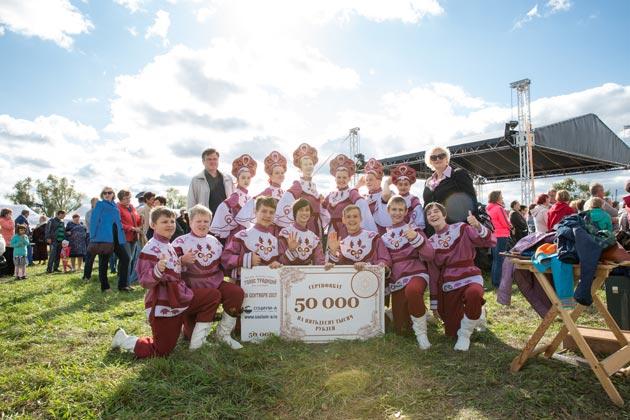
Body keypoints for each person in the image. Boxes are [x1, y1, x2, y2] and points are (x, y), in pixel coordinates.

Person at [111, 207, 221, 357]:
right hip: (164, 304)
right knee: (161, 350)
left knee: (212, 296)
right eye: (164, 222)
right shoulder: (150, 248)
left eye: (172, 221)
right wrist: (156, 270)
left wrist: (183, 261)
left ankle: (197, 342)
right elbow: (144, 281)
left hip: (181, 296)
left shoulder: (168, 244)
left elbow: (174, 269)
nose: (170, 224)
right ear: (153, 225)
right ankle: (123, 339)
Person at [426, 202, 496, 351]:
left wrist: (477, 226)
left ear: (444, 215)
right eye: (429, 213)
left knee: (474, 294)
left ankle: (465, 334)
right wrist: (434, 304)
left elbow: (488, 241)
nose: (433, 214)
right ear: (427, 220)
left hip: (469, 274)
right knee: (451, 333)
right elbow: (433, 274)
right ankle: (478, 314)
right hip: (448, 282)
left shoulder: (461, 228)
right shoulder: (430, 243)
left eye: (436, 211)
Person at [173, 204, 244, 349]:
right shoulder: (180, 242)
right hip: (192, 290)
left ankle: (223, 334)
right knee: (189, 336)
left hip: (215, 284)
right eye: (198, 221)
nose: (202, 224)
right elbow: (169, 268)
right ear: (190, 221)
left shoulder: (215, 241)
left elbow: (224, 264)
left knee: (236, 292)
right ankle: (190, 328)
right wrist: (181, 261)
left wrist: (240, 265)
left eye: (206, 221)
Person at [381, 196, 435, 348]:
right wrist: (384, 265)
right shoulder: (384, 238)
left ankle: (422, 335)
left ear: (406, 212)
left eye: (400, 210)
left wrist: (416, 239)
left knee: (413, 290)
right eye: (394, 209)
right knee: (401, 330)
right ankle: (410, 314)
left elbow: (430, 255)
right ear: (388, 211)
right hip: (397, 278)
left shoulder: (414, 230)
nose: (397, 213)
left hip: (416, 272)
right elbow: (385, 259)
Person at [222, 196, 284, 282]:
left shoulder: (274, 240)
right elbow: (226, 258)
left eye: (271, 212)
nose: (268, 215)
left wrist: (276, 265)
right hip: (245, 287)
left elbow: (278, 264)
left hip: (270, 289)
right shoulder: (242, 235)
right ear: (255, 212)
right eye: (264, 211)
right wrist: (246, 259)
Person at [422, 145, 478, 236]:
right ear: (430, 162)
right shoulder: (428, 182)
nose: (437, 159)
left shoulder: (458, 174)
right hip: (433, 230)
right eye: (433, 157)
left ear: (447, 159)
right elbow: (426, 206)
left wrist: (474, 225)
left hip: (455, 228)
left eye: (441, 156)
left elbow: (471, 200)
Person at [275, 143, 328, 237]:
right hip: (305, 225)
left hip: (316, 225)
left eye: (310, 164)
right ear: (301, 168)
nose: (309, 166)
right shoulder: (298, 185)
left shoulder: (313, 186)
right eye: (305, 164)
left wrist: (320, 201)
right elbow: (285, 201)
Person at [322, 154, 377, 239]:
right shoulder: (331, 195)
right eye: (339, 177)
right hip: (332, 231)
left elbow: (362, 204)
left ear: (349, 179)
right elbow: (322, 210)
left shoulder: (352, 193)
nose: (341, 180)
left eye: (344, 177)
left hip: (346, 231)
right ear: (335, 179)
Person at [325, 205, 390, 273]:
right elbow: (336, 270)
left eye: (355, 216)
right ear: (343, 220)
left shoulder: (374, 237)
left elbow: (385, 261)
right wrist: (333, 251)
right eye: (348, 217)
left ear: (361, 218)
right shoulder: (342, 245)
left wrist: (368, 266)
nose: (352, 219)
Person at [90, 187, 131, 292]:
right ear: (102, 194)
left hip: (117, 236)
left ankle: (123, 285)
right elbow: (94, 221)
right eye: (104, 193)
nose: (107, 194)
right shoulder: (100, 204)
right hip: (104, 237)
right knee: (104, 262)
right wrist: (93, 236)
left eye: (109, 192)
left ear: (113, 194)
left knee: (125, 258)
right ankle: (105, 287)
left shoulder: (115, 205)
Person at [235, 151, 287, 229]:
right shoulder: (269, 191)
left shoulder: (284, 193)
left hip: (282, 227)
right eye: (277, 173)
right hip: (270, 227)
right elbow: (253, 201)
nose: (280, 175)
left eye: (282, 173)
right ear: (271, 176)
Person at [210, 154, 257, 241]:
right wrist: (232, 222)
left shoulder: (249, 196)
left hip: (247, 230)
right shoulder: (236, 195)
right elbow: (222, 207)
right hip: (237, 231)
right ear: (238, 179)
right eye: (243, 178)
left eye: (248, 178)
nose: (246, 180)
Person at [278, 198, 325, 266]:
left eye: (307, 210)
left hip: (308, 274)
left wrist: (326, 265)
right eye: (301, 210)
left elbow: (319, 261)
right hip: (287, 274)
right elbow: (280, 261)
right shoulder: (285, 232)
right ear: (295, 212)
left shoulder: (314, 237)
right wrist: (290, 250)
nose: (304, 213)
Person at [187, 148, 234, 214]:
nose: (212, 162)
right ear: (203, 161)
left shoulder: (228, 179)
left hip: (226, 219)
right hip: (205, 220)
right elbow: (191, 203)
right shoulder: (196, 180)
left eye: (215, 159)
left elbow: (234, 200)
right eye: (209, 159)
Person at [382, 164, 425, 229]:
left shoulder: (414, 201)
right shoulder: (392, 198)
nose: (403, 187)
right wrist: (386, 182)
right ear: (396, 185)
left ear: (410, 185)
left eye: (406, 184)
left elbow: (420, 222)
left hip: (410, 233)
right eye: (400, 184)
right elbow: (385, 195)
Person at [356, 158, 391, 234]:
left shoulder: (387, 194)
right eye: (367, 180)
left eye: (371, 179)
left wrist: (387, 183)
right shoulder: (363, 197)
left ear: (379, 181)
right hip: (365, 235)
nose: (368, 182)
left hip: (382, 234)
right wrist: (358, 186)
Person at [486, 191, 511, 288]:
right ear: (497, 198)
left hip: (493, 235)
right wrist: (510, 227)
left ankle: (495, 281)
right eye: (501, 196)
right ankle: (499, 282)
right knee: (500, 259)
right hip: (501, 235)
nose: (502, 197)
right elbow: (505, 222)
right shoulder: (499, 208)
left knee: (495, 259)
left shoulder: (489, 208)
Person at [117, 190, 142, 284]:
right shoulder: (118, 208)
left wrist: (140, 222)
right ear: (120, 199)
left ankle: (126, 281)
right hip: (124, 237)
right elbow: (118, 223)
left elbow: (137, 218)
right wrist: (131, 228)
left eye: (129, 198)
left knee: (130, 259)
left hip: (134, 237)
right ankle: (124, 283)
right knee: (127, 259)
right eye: (125, 198)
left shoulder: (132, 207)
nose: (128, 200)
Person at [82, 197, 99, 281]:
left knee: (102, 258)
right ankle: (86, 276)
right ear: (92, 203)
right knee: (90, 257)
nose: (98, 204)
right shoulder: (89, 213)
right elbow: (93, 224)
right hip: (91, 237)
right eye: (96, 202)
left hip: (101, 237)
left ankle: (101, 277)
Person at [0, 208, 15, 277]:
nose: (11, 215)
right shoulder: (2, 220)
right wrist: (11, 221)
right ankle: (7, 272)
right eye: (10, 214)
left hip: (11, 242)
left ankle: (11, 272)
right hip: (5, 242)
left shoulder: (9, 220)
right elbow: (10, 227)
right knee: (7, 258)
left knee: (12, 258)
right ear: (5, 214)